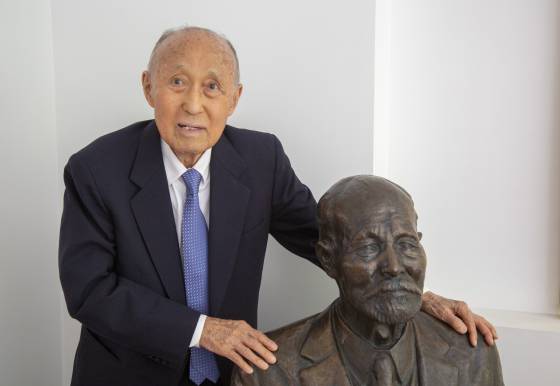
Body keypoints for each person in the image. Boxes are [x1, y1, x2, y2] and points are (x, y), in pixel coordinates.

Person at [58, 26, 497, 386]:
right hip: (125, 375)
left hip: (232, 377)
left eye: (212, 86)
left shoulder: (260, 159)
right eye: (177, 82)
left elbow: (328, 241)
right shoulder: (97, 169)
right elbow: (90, 291)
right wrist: (202, 330)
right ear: (148, 87)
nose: (193, 103)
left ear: (234, 98)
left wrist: (409, 293)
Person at [231, 175, 504, 386]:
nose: (394, 267)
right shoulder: (266, 372)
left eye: (406, 244)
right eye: (369, 248)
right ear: (328, 259)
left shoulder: (472, 352)